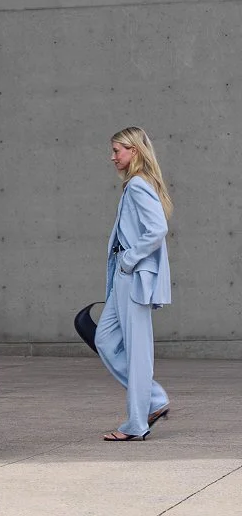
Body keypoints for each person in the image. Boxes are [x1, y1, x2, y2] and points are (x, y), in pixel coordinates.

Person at [95, 126, 172, 441]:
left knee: (137, 352)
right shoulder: (134, 184)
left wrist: (129, 259)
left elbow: (157, 229)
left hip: (133, 276)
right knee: (104, 340)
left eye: (117, 151)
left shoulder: (138, 184)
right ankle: (154, 398)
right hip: (124, 276)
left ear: (134, 151)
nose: (112, 157)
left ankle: (136, 424)